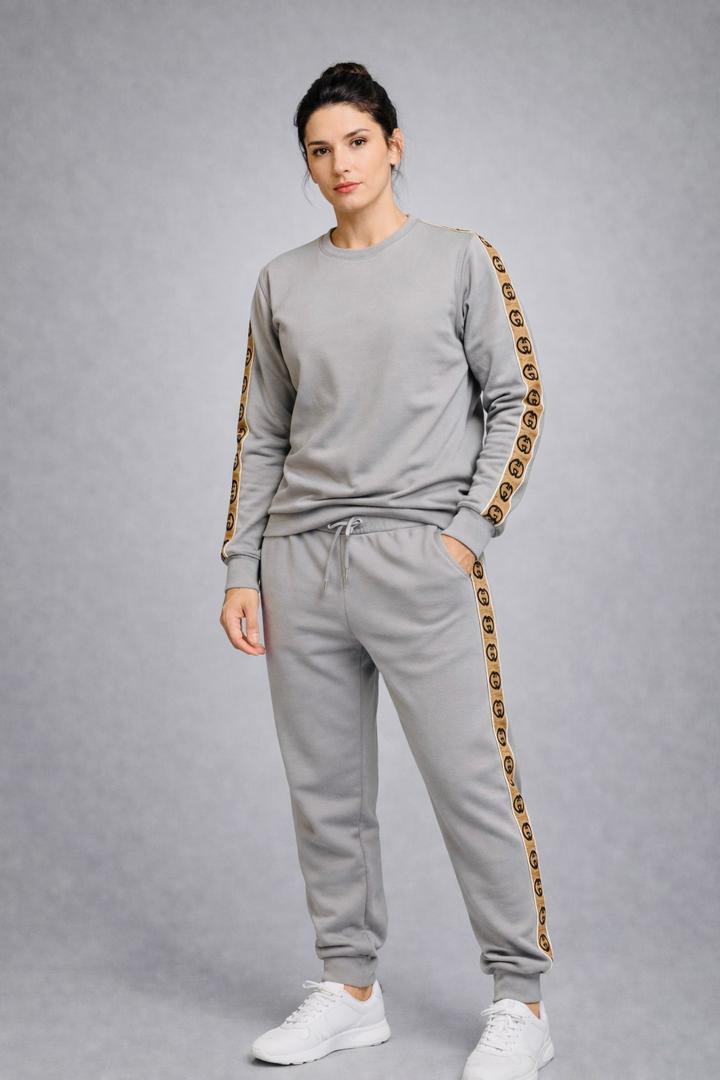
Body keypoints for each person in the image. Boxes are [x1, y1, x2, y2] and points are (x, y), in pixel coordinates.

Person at [219, 61, 556, 1080]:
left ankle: (521, 1000)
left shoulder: (460, 258)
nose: (340, 164)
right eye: (319, 150)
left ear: (394, 145)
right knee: (326, 794)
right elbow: (262, 432)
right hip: (300, 563)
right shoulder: (281, 280)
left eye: (357, 142)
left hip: (419, 557)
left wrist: (467, 534)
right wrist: (243, 565)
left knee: (470, 784)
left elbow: (518, 398)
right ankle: (351, 990)